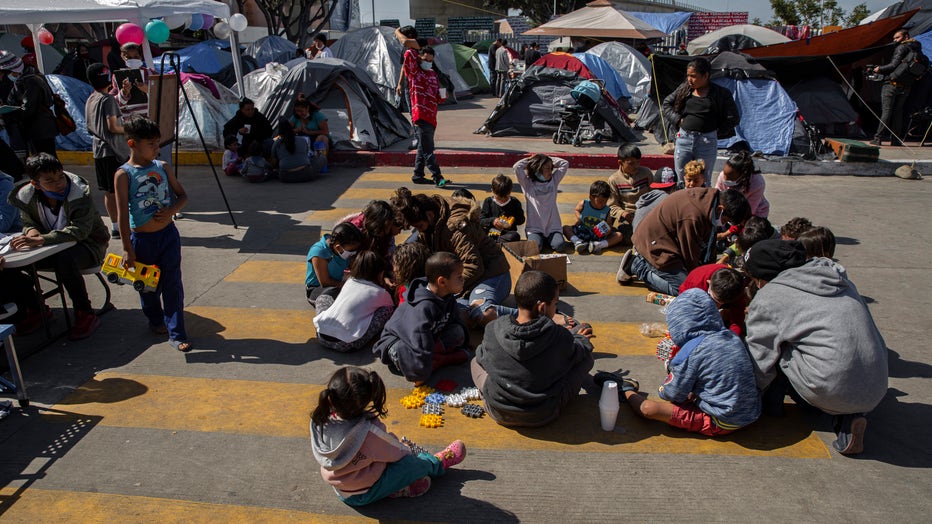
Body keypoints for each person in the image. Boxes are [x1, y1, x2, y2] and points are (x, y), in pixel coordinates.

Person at [744, 239, 888, 455]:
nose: (756, 285)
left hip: (830, 387)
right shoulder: (840, 281)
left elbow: (760, 359)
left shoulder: (770, 297)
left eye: (755, 280)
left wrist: (747, 397)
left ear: (765, 277)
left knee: (778, 346)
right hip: (876, 384)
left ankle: (772, 407)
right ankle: (848, 416)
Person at [612, 288, 761, 436]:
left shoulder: (692, 350)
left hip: (723, 420)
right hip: (751, 411)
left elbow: (671, 394)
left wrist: (671, 372)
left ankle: (625, 389)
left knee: (649, 409)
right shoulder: (730, 336)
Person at [310, 366, 466, 505]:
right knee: (411, 464)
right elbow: (396, 452)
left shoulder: (320, 420)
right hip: (365, 493)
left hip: (341, 489)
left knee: (383, 459)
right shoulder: (369, 434)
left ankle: (397, 489)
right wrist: (406, 449)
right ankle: (437, 463)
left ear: (330, 399)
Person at [472, 270, 595, 427]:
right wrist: (582, 340)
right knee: (586, 359)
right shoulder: (558, 336)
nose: (555, 309)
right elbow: (578, 352)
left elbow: (483, 357)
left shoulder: (493, 328)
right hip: (544, 413)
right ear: (542, 307)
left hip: (498, 410)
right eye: (555, 304)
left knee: (475, 360)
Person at [8, 153, 109, 340]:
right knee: (7, 265)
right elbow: (27, 222)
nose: (59, 183)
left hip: (88, 245)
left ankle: (85, 312)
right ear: (35, 184)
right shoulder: (28, 197)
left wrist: (42, 240)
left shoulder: (79, 194)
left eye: (60, 176)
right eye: (50, 180)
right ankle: (36, 309)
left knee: (66, 259)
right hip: (49, 247)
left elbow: (80, 231)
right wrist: (31, 232)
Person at [113, 116, 190, 351]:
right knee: (147, 287)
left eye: (158, 144)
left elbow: (182, 196)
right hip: (141, 241)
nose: (157, 149)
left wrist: (171, 211)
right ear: (132, 144)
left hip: (168, 235)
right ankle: (156, 320)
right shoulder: (123, 175)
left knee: (173, 284)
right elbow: (122, 216)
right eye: (151, 144)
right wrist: (127, 249)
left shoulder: (163, 168)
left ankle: (177, 332)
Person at [390, 188, 514, 325]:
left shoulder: (455, 228)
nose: (420, 231)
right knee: (455, 317)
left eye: (420, 226)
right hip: (459, 283)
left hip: (491, 275)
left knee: (482, 314)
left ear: (430, 215)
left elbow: (474, 266)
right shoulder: (432, 225)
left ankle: (529, 314)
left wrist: (446, 288)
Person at [617, 188, 751, 295]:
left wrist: (711, 270)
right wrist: (703, 280)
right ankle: (637, 266)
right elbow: (690, 256)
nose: (723, 224)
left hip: (668, 241)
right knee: (685, 289)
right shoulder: (693, 217)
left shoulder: (710, 200)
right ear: (721, 209)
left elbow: (707, 242)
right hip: (654, 245)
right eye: (726, 221)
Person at [373, 252, 471, 383]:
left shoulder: (447, 295)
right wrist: (421, 372)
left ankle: (438, 360)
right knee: (414, 364)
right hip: (400, 342)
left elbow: (456, 322)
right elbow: (418, 342)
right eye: (459, 277)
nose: (463, 279)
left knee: (458, 332)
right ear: (442, 281)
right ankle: (439, 360)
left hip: (429, 338)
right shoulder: (422, 307)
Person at [663, 57, 740, 186]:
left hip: (707, 143)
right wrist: (677, 120)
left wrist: (715, 132)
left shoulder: (721, 93)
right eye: (688, 75)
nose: (689, 80)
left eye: (693, 76)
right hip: (684, 140)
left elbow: (733, 118)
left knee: (703, 180)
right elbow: (666, 104)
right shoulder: (684, 89)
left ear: (705, 75)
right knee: (682, 180)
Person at [313, 251, 395, 353]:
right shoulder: (380, 292)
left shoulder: (349, 281)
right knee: (388, 309)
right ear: (380, 274)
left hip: (321, 335)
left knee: (323, 298)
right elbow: (391, 306)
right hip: (347, 343)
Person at [85, 63, 130, 240]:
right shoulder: (108, 100)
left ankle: (115, 226)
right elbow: (113, 126)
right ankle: (125, 225)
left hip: (98, 151)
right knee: (120, 191)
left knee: (109, 191)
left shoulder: (91, 99)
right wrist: (129, 128)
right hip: (113, 151)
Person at [399, 43, 448, 188]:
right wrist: (414, 45)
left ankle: (418, 175)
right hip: (421, 116)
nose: (428, 63)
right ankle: (438, 177)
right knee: (428, 149)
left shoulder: (432, 74)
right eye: (425, 60)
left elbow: (437, 95)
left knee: (422, 147)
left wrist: (442, 96)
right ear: (419, 59)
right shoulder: (414, 73)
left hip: (432, 116)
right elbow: (408, 54)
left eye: (430, 60)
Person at [871, 29, 926, 146]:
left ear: (906, 37)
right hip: (906, 86)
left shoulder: (902, 47)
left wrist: (879, 69)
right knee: (898, 113)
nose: (895, 40)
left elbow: (893, 65)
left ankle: (878, 137)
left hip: (892, 84)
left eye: (897, 38)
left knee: (887, 111)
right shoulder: (917, 49)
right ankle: (895, 139)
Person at [2, 51, 57, 158]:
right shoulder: (22, 80)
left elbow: (29, 108)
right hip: (35, 128)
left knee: (47, 160)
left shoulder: (31, 81)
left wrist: (10, 113)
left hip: (41, 128)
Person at [514, 154, 569, 253]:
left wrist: (547, 159)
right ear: (538, 169)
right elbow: (517, 167)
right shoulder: (528, 184)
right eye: (547, 168)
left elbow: (565, 163)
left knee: (559, 246)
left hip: (553, 228)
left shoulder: (553, 181)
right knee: (535, 248)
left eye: (551, 168)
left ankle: (549, 239)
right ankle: (540, 239)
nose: (550, 171)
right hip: (535, 228)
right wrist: (533, 160)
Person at [305, 222, 364, 310]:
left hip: (337, 283)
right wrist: (346, 285)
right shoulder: (319, 252)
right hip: (317, 289)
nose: (354, 252)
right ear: (338, 248)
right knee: (343, 298)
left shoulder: (343, 250)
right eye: (352, 250)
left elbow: (354, 266)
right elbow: (325, 282)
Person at [679, 264, 749, 337]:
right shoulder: (695, 283)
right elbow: (684, 308)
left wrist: (733, 337)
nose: (716, 307)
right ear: (709, 283)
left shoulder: (736, 288)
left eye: (720, 303)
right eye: (714, 300)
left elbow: (738, 317)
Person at [565, 180, 625, 255]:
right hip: (583, 231)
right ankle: (577, 242)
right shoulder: (584, 204)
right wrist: (579, 218)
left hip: (598, 236)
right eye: (600, 201)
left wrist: (608, 230)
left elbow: (609, 224)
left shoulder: (606, 210)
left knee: (619, 236)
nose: (603, 204)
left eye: (605, 201)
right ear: (591, 197)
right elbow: (577, 210)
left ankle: (598, 245)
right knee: (565, 228)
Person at [607, 144, 652, 242]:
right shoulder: (614, 180)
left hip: (646, 214)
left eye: (638, 162)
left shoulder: (646, 173)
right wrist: (624, 214)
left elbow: (655, 194)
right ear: (620, 162)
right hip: (628, 217)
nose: (636, 166)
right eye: (631, 163)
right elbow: (612, 206)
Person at [714, 151, 769, 218]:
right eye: (724, 174)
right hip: (729, 211)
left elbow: (749, 212)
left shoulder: (757, 184)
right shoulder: (723, 176)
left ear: (742, 175)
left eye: (730, 177)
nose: (725, 179)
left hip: (753, 214)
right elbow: (716, 196)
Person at [479, 173, 524, 243]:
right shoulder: (489, 201)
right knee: (479, 232)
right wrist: (493, 221)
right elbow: (481, 220)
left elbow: (521, 219)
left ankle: (494, 242)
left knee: (515, 235)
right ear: (492, 191)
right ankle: (494, 242)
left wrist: (512, 221)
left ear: (510, 191)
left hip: (507, 233)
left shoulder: (515, 202)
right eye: (499, 197)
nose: (503, 200)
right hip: (491, 231)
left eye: (506, 197)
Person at [272, 116, 316, 183]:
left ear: (280, 132)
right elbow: (306, 155)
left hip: (285, 177)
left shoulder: (277, 143)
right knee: (321, 159)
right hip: (306, 174)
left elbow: (274, 162)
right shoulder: (302, 140)